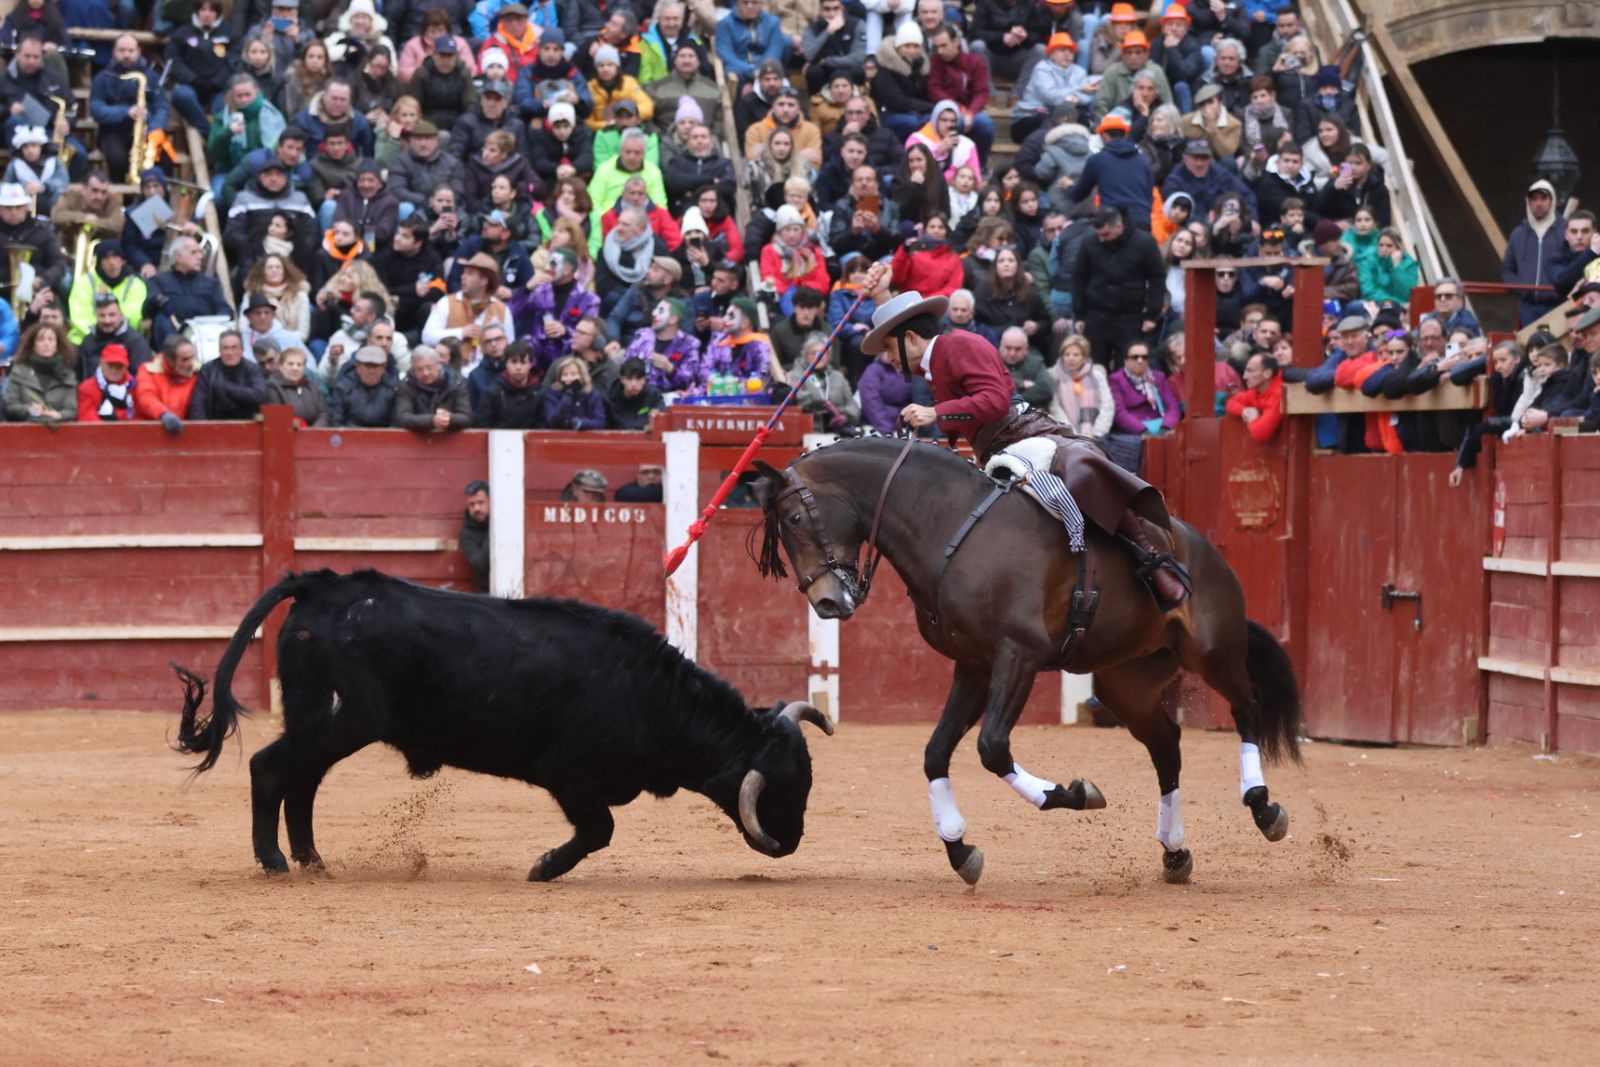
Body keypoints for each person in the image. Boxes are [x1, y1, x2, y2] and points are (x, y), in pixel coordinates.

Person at [859, 269, 1190, 607]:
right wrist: (880, 297)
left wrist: (936, 413)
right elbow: (902, 327)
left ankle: (1151, 559)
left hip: (1022, 434)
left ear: (912, 338)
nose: (887, 358)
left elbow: (996, 401)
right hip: (994, 448)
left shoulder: (958, 344)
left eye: (888, 348)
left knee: (1081, 466)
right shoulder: (933, 357)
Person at [1071, 207, 1165, 372]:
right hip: (1096, 315)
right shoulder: (1089, 242)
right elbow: (1079, 278)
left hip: (1130, 316)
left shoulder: (1144, 243)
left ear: (1119, 226)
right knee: (1093, 368)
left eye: (1105, 235)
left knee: (1128, 368)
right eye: (1098, 234)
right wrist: (1079, 313)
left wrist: (1152, 314)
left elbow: (1157, 278)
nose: (1101, 239)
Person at [90, 34, 172, 184]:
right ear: (114, 52)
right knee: (117, 158)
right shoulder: (102, 77)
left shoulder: (151, 77)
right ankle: (123, 198)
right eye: (122, 50)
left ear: (138, 51)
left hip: (146, 131)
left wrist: (154, 128)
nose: (126, 55)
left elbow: (162, 106)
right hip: (113, 131)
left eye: (130, 50)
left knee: (165, 158)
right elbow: (96, 108)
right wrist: (126, 112)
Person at [423, 252, 514, 365]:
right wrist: (461, 333)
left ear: (484, 281)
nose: (462, 277)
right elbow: (427, 336)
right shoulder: (446, 302)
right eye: (463, 272)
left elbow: (510, 345)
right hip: (453, 373)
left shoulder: (502, 309)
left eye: (469, 273)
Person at [146, 237, 234, 348]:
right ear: (178, 257)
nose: (200, 257)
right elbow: (148, 309)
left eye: (200, 252)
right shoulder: (159, 281)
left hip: (205, 336)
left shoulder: (211, 283)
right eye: (193, 252)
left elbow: (224, 309)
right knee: (161, 319)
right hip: (174, 337)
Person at [1503, 179, 1568, 327]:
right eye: (1534, 199)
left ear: (1552, 201)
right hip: (1527, 306)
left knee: (1555, 348)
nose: (1538, 203)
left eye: (1543, 198)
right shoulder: (1518, 234)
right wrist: (1519, 289)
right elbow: (1507, 268)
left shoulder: (1566, 230)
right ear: (1528, 202)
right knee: (1530, 346)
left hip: (1557, 303)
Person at [3, 320, 74, 423]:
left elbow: (72, 410)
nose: (46, 343)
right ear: (33, 344)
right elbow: (9, 407)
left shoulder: (67, 375)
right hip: (25, 431)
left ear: (57, 345)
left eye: (51, 339)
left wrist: (59, 415)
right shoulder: (18, 373)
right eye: (41, 339)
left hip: (59, 431)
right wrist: (30, 410)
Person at [189, 330, 269, 421]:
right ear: (219, 350)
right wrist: (202, 428)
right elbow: (198, 403)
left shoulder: (252, 369)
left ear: (242, 350)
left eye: (234, 348)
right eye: (225, 348)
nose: (229, 353)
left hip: (247, 423)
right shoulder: (208, 370)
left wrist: (226, 388)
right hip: (214, 424)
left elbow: (259, 394)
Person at [1046, 334, 1113, 440]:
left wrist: (1097, 433)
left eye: (1076, 355)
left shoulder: (1097, 374)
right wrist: (1072, 434)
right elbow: (1055, 408)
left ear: (1084, 357)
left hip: (1096, 437)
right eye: (1067, 354)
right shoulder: (1052, 375)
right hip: (1065, 436)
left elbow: (1107, 405)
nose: (1071, 358)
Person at [394, 344, 472, 432]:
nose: (425, 373)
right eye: (420, 369)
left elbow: (466, 417)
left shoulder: (456, 383)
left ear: (438, 365)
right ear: (413, 369)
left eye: (429, 367)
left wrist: (449, 418)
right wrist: (432, 420)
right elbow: (402, 418)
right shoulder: (406, 385)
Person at [789, 333, 859, 431]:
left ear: (829, 355)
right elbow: (799, 400)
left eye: (822, 353)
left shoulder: (838, 376)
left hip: (838, 431)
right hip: (809, 431)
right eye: (813, 353)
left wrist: (844, 416)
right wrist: (825, 403)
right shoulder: (795, 375)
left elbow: (853, 406)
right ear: (805, 355)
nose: (818, 357)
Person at [133, 334, 200, 434]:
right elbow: (146, 397)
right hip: (147, 431)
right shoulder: (148, 371)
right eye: (185, 359)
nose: (190, 363)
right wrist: (163, 414)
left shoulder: (199, 374)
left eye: (192, 357)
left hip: (183, 432)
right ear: (170, 361)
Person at [475, 342, 544, 428]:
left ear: (530, 365)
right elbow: (482, 425)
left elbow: (543, 426)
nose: (518, 367)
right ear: (506, 364)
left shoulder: (540, 393)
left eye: (523, 362)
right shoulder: (492, 393)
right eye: (513, 362)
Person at [330, 344, 400, 426]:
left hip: (385, 436)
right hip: (351, 435)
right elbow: (336, 422)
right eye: (367, 366)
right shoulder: (343, 388)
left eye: (375, 366)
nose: (371, 371)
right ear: (358, 367)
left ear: (383, 368)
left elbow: (397, 422)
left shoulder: (394, 389)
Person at [1225, 352, 1285, 443]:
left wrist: (1252, 418)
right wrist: (1244, 410)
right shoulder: (1256, 390)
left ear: (1267, 374)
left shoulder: (1278, 394)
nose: (1244, 377)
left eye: (1250, 371)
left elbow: (1261, 434)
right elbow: (1230, 403)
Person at [264, 346, 329, 426]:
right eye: (290, 364)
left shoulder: (311, 386)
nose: (295, 368)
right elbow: (276, 417)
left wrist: (313, 431)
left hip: (314, 434)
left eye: (299, 365)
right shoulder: (273, 386)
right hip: (287, 434)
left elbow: (323, 413)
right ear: (280, 366)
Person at [541, 355, 608, 429]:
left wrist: (580, 423)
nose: (569, 378)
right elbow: (552, 420)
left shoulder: (593, 395)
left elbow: (599, 421)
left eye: (573, 374)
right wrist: (568, 395)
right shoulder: (552, 394)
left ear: (582, 376)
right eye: (565, 374)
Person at [460, 479, 491, 592]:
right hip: (486, 594)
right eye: (471, 504)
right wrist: (495, 529)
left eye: (480, 502)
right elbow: (480, 564)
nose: (476, 508)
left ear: (490, 501)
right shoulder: (467, 533)